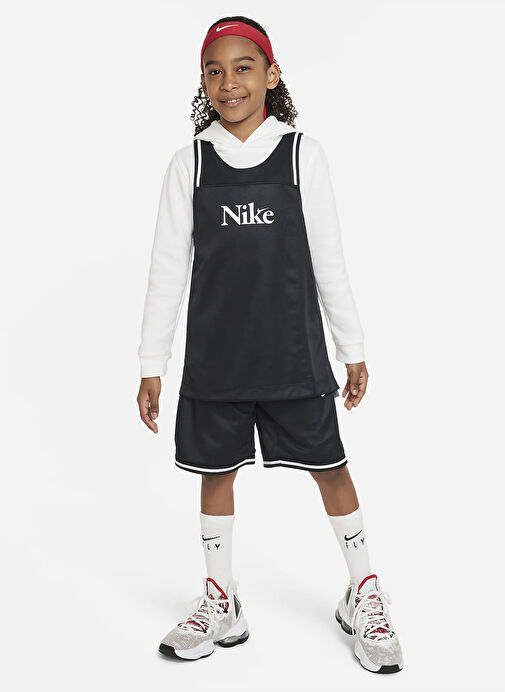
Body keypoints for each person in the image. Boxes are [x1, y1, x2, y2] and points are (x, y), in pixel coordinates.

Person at [136, 16, 404, 674]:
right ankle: (220, 599)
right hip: (216, 361)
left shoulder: (302, 155)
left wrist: (351, 348)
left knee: (331, 468)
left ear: (271, 75)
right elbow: (167, 270)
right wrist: (151, 364)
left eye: (244, 67)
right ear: (202, 82)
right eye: (215, 70)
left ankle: (363, 591)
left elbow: (328, 259)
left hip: (293, 355)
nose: (229, 81)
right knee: (215, 474)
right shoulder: (190, 163)